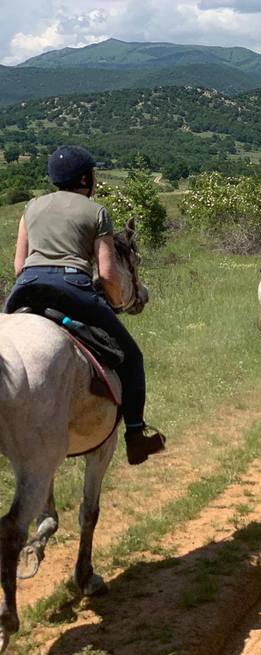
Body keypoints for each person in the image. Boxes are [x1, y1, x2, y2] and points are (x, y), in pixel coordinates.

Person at [4, 145, 165, 464]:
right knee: (132, 357)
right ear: (84, 178)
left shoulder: (31, 207)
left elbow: (19, 266)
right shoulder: (96, 212)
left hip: (25, 289)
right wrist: (117, 300)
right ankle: (135, 434)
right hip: (71, 288)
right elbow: (106, 273)